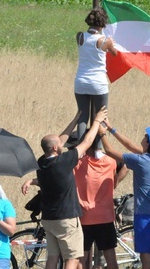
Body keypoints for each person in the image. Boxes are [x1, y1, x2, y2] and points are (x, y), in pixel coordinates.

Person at [21, 107, 107, 269]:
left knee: (52, 258)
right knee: (72, 259)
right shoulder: (64, 161)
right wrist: (96, 120)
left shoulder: (41, 163)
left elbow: (57, 141)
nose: (62, 143)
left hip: (48, 219)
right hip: (66, 218)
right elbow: (87, 142)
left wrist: (75, 119)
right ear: (55, 148)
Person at [100, 121, 150, 268]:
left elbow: (110, 151)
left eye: (146, 137)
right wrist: (112, 129)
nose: (143, 137)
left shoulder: (141, 161)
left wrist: (102, 134)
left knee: (145, 253)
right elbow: (131, 146)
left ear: (148, 144)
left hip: (145, 214)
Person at [73, 141, 128, 269]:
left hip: (84, 217)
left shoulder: (78, 163)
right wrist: (115, 182)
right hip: (105, 217)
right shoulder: (110, 161)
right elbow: (126, 166)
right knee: (111, 258)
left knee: (81, 259)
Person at [73, 7, 118, 144]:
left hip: (81, 81)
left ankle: (80, 148)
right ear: (103, 23)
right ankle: (98, 148)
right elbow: (114, 53)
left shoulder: (80, 36)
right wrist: (111, 43)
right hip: (98, 83)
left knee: (82, 115)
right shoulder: (104, 41)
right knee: (101, 116)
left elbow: (89, 37)